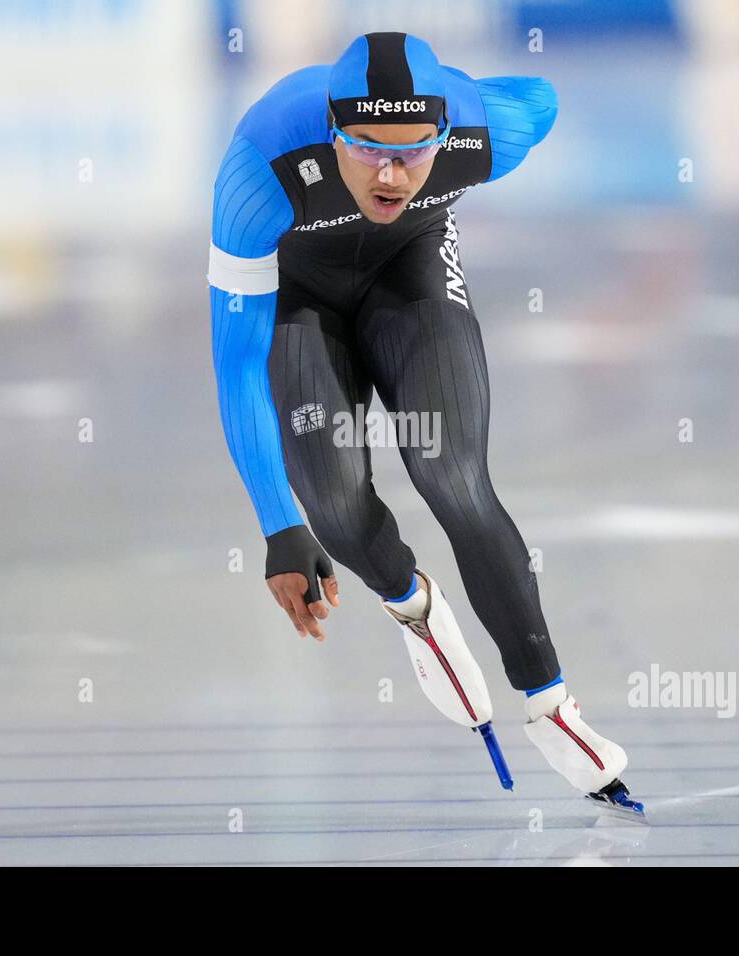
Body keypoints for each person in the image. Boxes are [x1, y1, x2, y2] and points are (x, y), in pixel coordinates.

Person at [208, 31, 641, 813]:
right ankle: (413, 605)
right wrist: (278, 527)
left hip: (413, 278)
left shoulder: (482, 133)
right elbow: (238, 364)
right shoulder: (261, 173)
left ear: (445, 136)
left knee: (454, 477)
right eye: (368, 150)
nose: (390, 174)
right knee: (331, 505)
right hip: (301, 301)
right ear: (332, 134)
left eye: (413, 154)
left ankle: (552, 706)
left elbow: (538, 99)